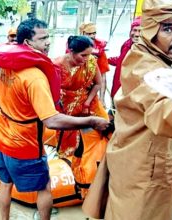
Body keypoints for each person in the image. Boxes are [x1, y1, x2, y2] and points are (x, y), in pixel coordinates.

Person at [83, 0, 172, 219]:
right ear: (149, 30)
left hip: (135, 159)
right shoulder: (146, 69)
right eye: (167, 28)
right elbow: (166, 112)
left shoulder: (145, 52)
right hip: (145, 171)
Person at [0, 18, 109, 220]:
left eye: (48, 37)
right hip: (24, 144)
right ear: (27, 43)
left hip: (0, 136)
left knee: (5, 184)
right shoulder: (34, 76)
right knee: (44, 187)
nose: (48, 42)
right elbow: (51, 120)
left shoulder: (7, 64)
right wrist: (92, 121)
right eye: (42, 39)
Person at [53, 35, 109, 198]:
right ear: (70, 51)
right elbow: (51, 91)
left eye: (89, 54)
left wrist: (87, 103)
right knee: (68, 142)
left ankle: (93, 171)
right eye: (83, 55)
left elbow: (98, 84)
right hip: (65, 106)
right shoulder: (56, 65)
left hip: (88, 103)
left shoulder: (91, 61)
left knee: (99, 135)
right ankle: (71, 173)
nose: (86, 59)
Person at [108, 17, 141, 100]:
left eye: (140, 31)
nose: (136, 34)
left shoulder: (147, 49)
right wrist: (106, 59)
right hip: (118, 87)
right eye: (134, 30)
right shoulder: (126, 44)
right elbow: (122, 60)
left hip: (134, 91)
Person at [79, 22, 109, 106]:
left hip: (92, 89)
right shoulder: (73, 48)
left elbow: (103, 77)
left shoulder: (100, 50)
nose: (92, 36)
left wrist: (102, 99)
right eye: (89, 34)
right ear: (82, 33)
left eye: (94, 33)